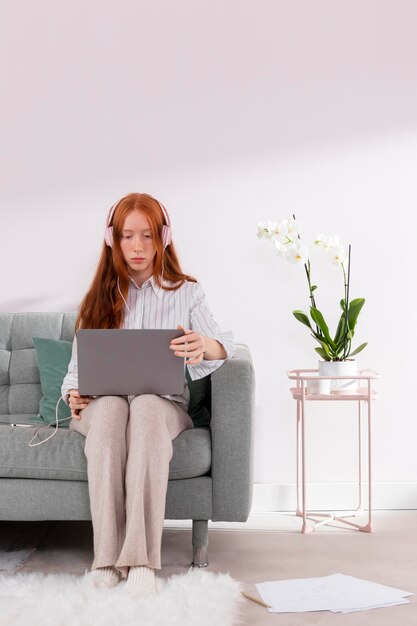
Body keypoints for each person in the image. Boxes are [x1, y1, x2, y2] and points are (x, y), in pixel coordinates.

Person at [60, 192, 235, 598]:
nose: (137, 247)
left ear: (163, 237)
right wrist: (74, 395)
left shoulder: (186, 292)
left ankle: (140, 560)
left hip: (163, 405)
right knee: (109, 414)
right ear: (112, 240)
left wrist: (202, 345)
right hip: (104, 403)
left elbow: (224, 344)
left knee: (146, 410)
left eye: (147, 236)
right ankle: (105, 559)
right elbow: (74, 371)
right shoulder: (98, 298)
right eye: (127, 236)